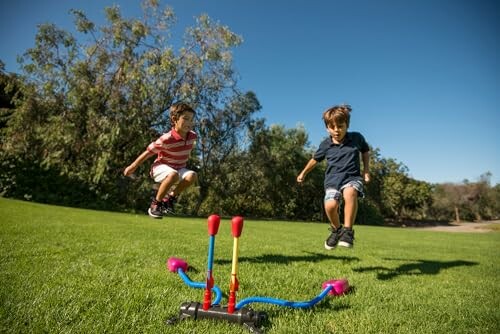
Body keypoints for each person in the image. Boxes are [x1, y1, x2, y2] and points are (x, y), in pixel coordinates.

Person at [297, 104, 370, 249]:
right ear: (327, 128)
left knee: (350, 192)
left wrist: (366, 170)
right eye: (332, 127)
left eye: (340, 126)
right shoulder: (325, 145)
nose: (336, 130)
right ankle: (337, 230)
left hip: (352, 177)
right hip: (332, 181)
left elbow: (365, 151)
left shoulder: (356, 138)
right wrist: (303, 173)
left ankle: (348, 232)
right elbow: (315, 160)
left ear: (347, 125)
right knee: (330, 206)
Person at [124, 102, 198, 218]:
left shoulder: (192, 136)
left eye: (192, 120)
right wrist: (133, 166)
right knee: (173, 174)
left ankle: (170, 199)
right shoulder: (166, 139)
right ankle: (156, 204)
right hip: (160, 168)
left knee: (192, 175)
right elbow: (148, 153)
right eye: (186, 119)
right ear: (174, 119)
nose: (190, 123)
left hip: (179, 169)